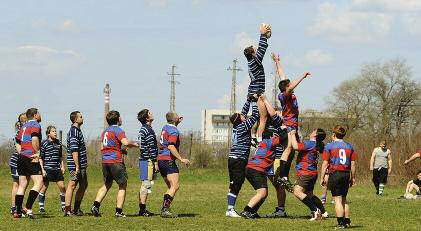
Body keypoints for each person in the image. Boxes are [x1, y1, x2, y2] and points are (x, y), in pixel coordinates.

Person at [271, 53, 311, 191]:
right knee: (289, 148)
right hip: (288, 125)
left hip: (291, 125)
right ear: (287, 88)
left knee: (293, 150)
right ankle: (283, 176)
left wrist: (277, 62)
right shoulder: (285, 95)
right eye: (290, 85)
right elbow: (289, 86)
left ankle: (285, 176)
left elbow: (282, 76)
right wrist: (303, 76)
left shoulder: (284, 90)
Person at [91, 111, 139, 217]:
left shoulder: (105, 131)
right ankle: (119, 211)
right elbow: (126, 142)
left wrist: (120, 150)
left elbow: (103, 147)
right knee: (122, 185)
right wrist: (135, 144)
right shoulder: (118, 130)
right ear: (117, 119)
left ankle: (95, 206)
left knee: (107, 185)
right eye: (120, 117)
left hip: (105, 161)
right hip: (115, 161)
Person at [226, 97, 258, 217]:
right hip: (239, 159)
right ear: (240, 119)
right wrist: (254, 101)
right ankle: (230, 210)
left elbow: (243, 112)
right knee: (237, 184)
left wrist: (248, 100)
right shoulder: (244, 126)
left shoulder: (237, 126)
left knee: (233, 183)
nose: (244, 115)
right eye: (242, 115)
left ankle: (229, 208)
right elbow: (255, 115)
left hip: (232, 158)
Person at [240, 125, 282, 219]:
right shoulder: (269, 142)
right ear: (271, 136)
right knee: (262, 193)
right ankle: (247, 210)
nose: (276, 137)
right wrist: (286, 130)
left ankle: (253, 212)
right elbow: (283, 138)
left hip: (253, 169)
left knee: (264, 193)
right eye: (275, 135)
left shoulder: (263, 142)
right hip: (256, 169)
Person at [320, 125, 357, 229]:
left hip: (335, 173)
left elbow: (325, 163)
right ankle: (347, 221)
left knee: (337, 199)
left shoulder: (329, 146)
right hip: (346, 174)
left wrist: (322, 177)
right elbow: (353, 164)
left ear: (334, 134)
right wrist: (353, 178)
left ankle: (340, 223)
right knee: (344, 199)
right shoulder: (349, 146)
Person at [157, 111, 190, 218]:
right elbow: (171, 146)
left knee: (171, 187)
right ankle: (165, 209)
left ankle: (165, 208)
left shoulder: (165, 127)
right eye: (177, 116)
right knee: (175, 186)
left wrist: (177, 122)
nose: (179, 116)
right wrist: (181, 159)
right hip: (168, 160)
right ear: (174, 119)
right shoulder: (173, 130)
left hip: (161, 160)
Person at [290, 129, 328, 221]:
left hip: (306, 173)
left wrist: (291, 134)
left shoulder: (310, 143)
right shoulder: (315, 145)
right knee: (309, 194)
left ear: (315, 134)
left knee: (297, 192)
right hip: (312, 173)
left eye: (313, 130)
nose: (312, 131)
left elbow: (295, 146)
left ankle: (315, 211)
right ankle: (324, 212)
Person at [13, 108, 43, 219]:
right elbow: (35, 139)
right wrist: (37, 153)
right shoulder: (35, 124)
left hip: (21, 157)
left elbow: (17, 142)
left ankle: (17, 211)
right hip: (31, 156)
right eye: (39, 113)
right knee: (39, 182)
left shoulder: (23, 127)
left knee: (22, 185)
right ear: (35, 115)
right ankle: (27, 207)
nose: (40, 115)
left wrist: (22, 153)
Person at [243, 23, 271, 144]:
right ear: (253, 53)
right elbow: (262, 51)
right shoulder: (254, 61)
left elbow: (260, 51)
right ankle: (258, 139)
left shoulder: (251, 61)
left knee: (255, 115)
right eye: (255, 49)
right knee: (261, 117)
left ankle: (253, 136)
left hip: (253, 91)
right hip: (256, 93)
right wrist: (263, 35)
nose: (257, 49)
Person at [64, 111, 88, 216]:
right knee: (72, 184)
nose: (82, 118)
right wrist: (77, 166)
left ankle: (76, 209)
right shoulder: (74, 132)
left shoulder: (78, 130)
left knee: (83, 185)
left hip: (81, 164)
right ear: (75, 119)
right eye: (81, 117)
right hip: (75, 165)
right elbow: (74, 150)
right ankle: (67, 210)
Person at [38, 125, 66, 213]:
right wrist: (42, 169)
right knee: (44, 188)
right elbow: (41, 157)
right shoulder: (44, 143)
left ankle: (64, 206)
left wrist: (62, 166)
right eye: (53, 131)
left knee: (62, 186)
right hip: (47, 168)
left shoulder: (59, 143)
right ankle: (41, 207)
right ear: (48, 134)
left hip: (57, 169)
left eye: (55, 131)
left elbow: (60, 157)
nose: (55, 133)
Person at [137, 109, 159, 216]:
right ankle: (142, 210)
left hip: (144, 160)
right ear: (147, 118)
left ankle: (142, 209)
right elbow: (151, 148)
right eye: (150, 113)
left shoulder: (143, 129)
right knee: (146, 184)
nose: (152, 113)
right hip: (148, 160)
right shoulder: (148, 130)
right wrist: (155, 162)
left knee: (146, 184)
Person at [9, 113, 27, 214]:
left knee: (21, 184)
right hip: (16, 161)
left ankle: (17, 206)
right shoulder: (20, 133)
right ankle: (14, 207)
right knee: (17, 184)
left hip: (22, 161)